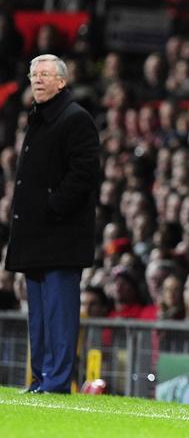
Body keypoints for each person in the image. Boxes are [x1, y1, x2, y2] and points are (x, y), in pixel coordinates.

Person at [5, 54, 100, 394]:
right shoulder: (40, 119)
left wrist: (52, 206)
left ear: (62, 81)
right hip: (36, 236)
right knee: (40, 318)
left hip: (60, 236)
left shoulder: (75, 119)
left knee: (59, 316)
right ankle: (41, 378)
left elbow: (85, 173)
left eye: (45, 74)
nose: (38, 80)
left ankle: (57, 381)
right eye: (33, 75)